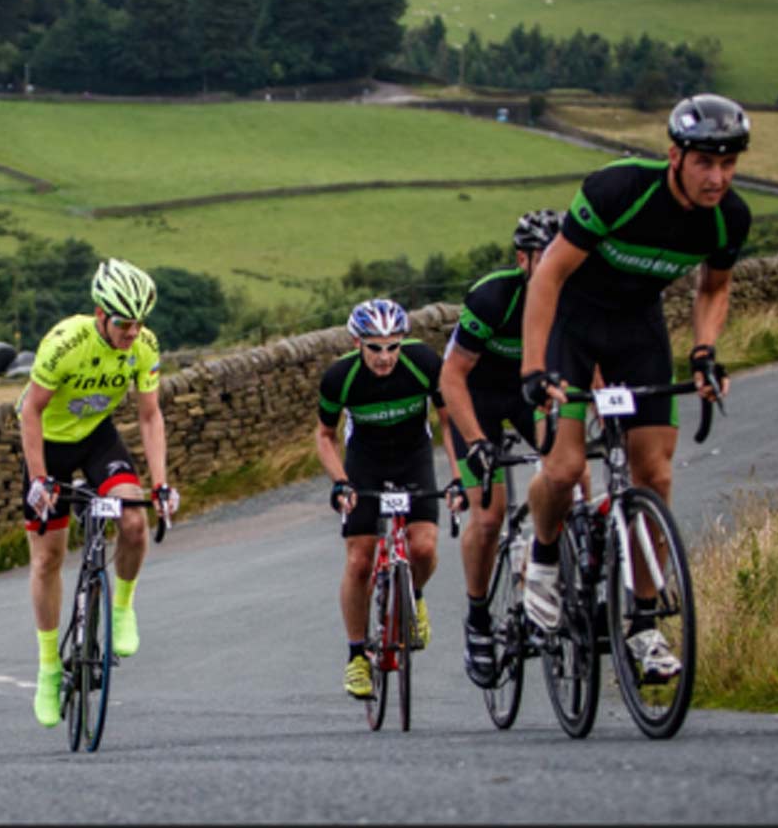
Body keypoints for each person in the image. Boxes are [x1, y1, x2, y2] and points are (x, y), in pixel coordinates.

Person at [519, 93, 751, 683]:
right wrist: (532, 367)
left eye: (728, 164)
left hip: (636, 329)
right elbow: (548, 276)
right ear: (675, 155)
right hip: (573, 321)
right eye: (705, 162)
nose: (717, 177)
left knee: (655, 473)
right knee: (567, 467)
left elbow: (713, 289)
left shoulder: (729, 217)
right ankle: (543, 558)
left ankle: (643, 622)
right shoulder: (619, 191)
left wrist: (703, 350)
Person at [17, 257, 179, 728]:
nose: (132, 332)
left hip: (95, 438)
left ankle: (123, 607)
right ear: (100, 313)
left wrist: (161, 481)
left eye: (139, 323)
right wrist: (41, 478)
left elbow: (149, 417)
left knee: (133, 519)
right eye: (123, 323)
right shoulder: (64, 342)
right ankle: (49, 669)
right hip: (48, 443)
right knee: (48, 558)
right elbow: (30, 412)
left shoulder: (143, 346)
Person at [439, 209, 565, 688]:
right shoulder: (494, 297)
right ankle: (477, 619)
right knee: (488, 517)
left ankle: (553, 576)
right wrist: (474, 442)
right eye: (545, 256)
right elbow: (451, 377)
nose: (557, 263)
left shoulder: (569, 293)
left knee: (569, 476)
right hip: (480, 399)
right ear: (523, 258)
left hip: (531, 392)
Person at [316, 298, 463, 701]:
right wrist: (341, 482)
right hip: (365, 463)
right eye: (375, 347)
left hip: (412, 458)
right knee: (360, 559)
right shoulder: (340, 378)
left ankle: (413, 596)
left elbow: (450, 423)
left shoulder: (422, 363)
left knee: (424, 547)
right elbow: (324, 437)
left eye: (392, 346)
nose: (384, 357)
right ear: (357, 343)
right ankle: (357, 655)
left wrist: (458, 477)